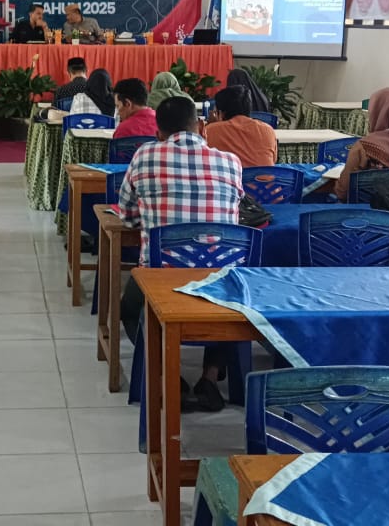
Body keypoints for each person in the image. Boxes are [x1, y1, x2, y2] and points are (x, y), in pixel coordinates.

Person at [118, 96, 244, 411]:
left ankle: (166, 374)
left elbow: (128, 216)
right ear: (201, 126)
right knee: (225, 293)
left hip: (160, 278)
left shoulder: (144, 155)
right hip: (221, 281)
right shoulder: (230, 161)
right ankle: (211, 378)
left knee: (130, 309)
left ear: (158, 132)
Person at [203, 86, 277, 168]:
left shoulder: (210, 131)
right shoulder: (268, 130)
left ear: (220, 113)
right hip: (265, 180)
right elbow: (273, 160)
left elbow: (203, 159)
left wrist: (209, 126)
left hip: (231, 180)